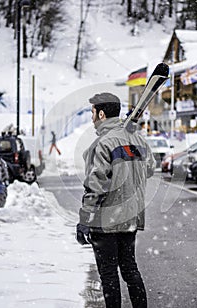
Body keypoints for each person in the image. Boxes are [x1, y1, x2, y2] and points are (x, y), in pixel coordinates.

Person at [76, 92, 155, 308]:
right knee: (130, 269)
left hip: (106, 220)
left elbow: (95, 186)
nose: (92, 118)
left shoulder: (101, 144)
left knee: (109, 276)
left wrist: (85, 220)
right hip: (130, 218)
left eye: (93, 113)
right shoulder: (137, 139)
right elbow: (150, 168)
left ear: (101, 113)